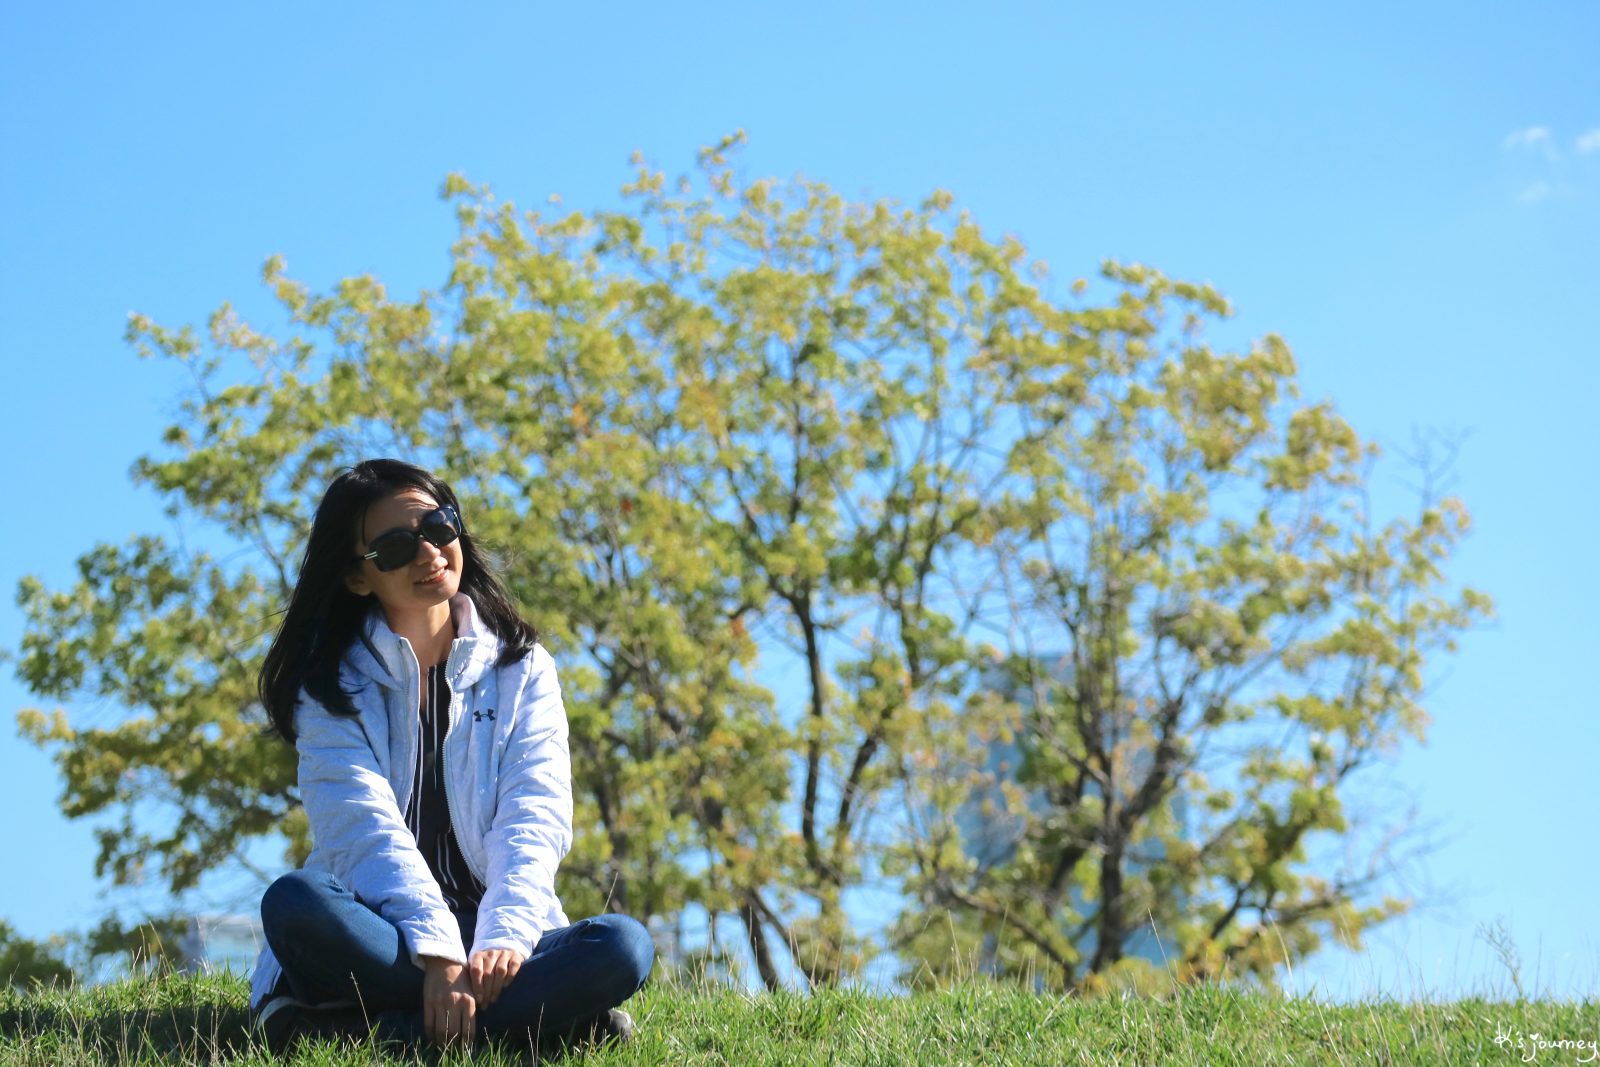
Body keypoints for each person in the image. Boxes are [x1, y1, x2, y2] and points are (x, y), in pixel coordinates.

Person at [247, 459, 653, 1053]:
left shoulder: (523, 668)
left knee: (624, 947)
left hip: (497, 938)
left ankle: (355, 1031)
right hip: (384, 936)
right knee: (294, 902)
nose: (429, 552)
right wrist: (437, 954)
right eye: (394, 547)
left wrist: (505, 937)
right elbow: (362, 830)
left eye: (439, 526)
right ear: (358, 577)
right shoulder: (330, 688)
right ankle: (541, 1026)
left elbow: (535, 814)